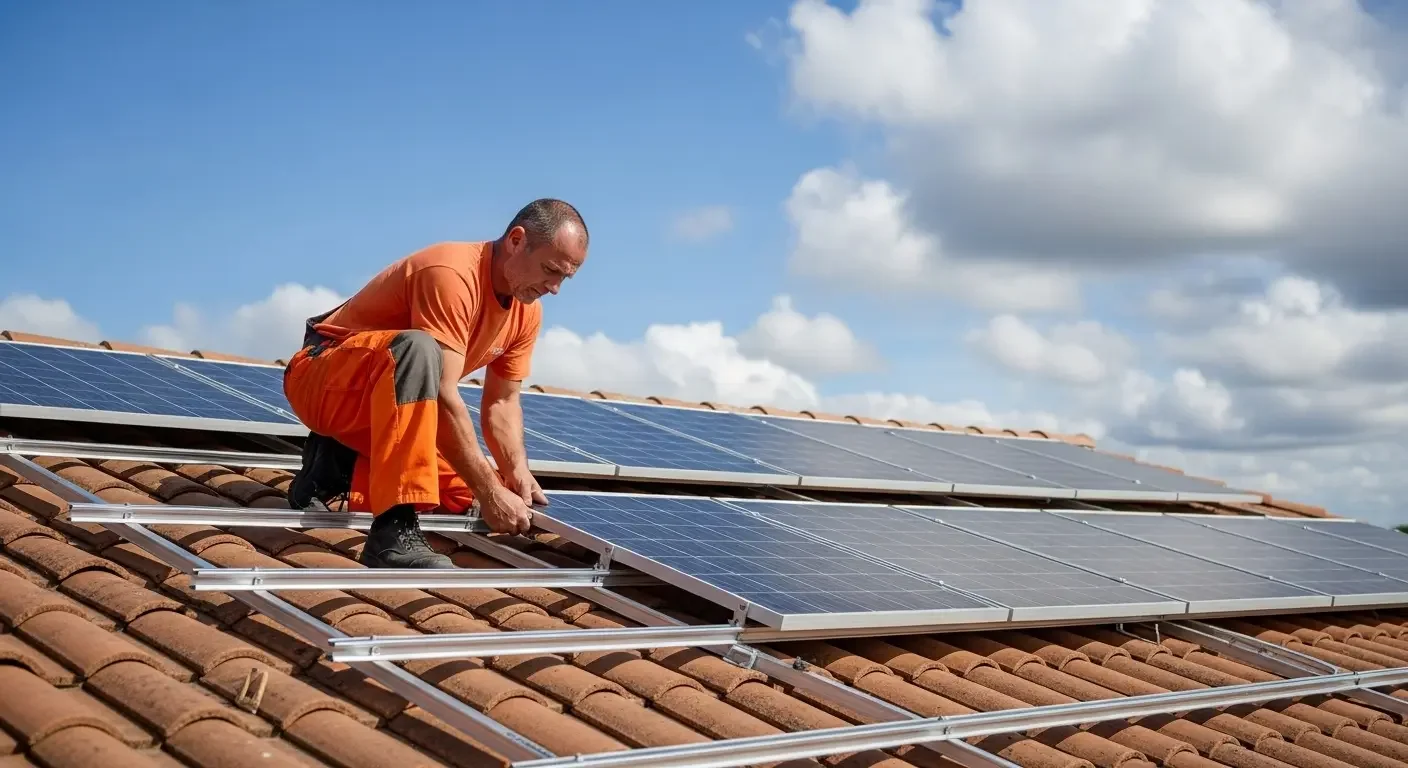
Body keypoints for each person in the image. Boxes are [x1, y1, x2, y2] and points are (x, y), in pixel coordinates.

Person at [281, 199, 588, 569]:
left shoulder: (527, 312)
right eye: (550, 270)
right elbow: (441, 393)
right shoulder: (451, 274)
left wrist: (515, 473)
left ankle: (330, 470)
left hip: (386, 405)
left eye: (565, 278)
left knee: (466, 491)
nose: (554, 288)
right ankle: (393, 532)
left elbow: (502, 403)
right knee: (419, 349)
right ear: (516, 240)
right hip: (323, 381)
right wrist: (490, 491)